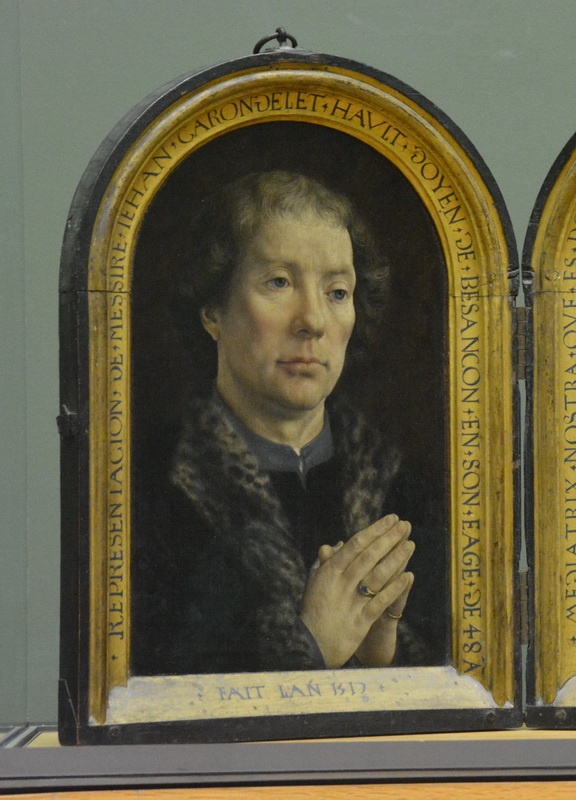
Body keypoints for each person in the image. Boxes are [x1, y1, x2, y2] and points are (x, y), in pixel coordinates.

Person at [133, 171, 442, 675]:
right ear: (212, 311)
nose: (313, 321)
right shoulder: (148, 490)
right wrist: (308, 647)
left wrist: (384, 655)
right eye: (278, 282)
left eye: (337, 292)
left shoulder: (405, 488)